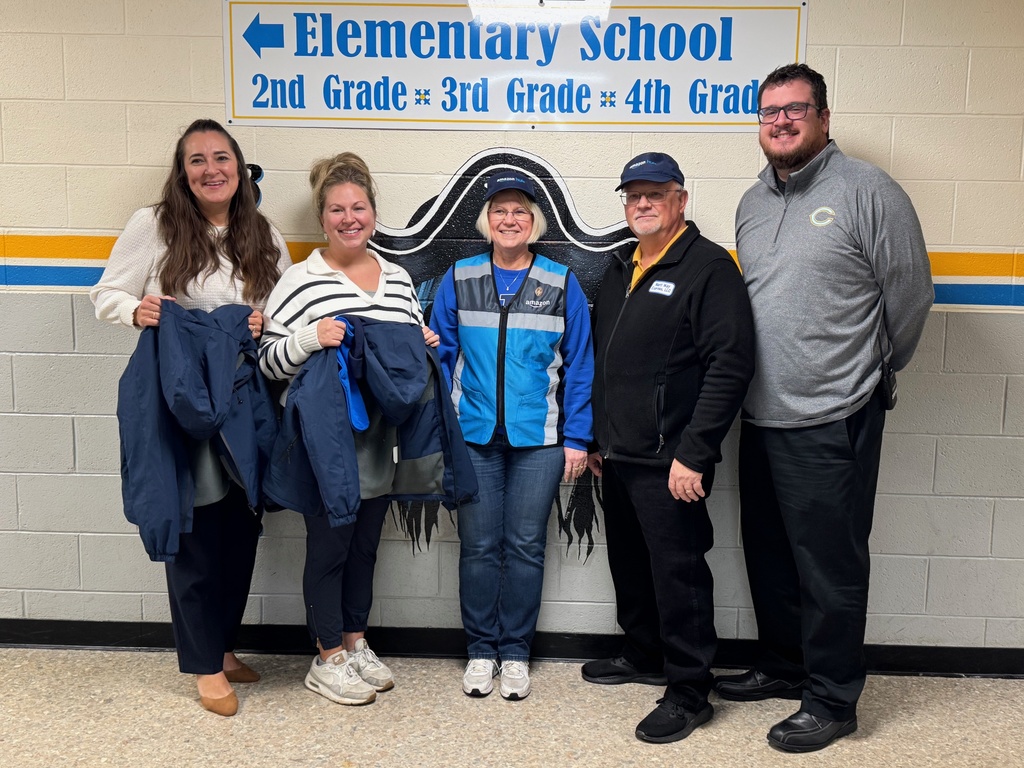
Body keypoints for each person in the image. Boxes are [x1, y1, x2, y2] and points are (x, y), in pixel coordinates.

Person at [716, 63, 934, 753]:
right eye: (768, 112)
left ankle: (834, 699)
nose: (779, 121)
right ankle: (786, 668)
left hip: (833, 415)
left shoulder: (870, 192)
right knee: (772, 558)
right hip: (762, 414)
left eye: (794, 109)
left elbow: (910, 298)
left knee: (831, 568)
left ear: (824, 117)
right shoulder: (752, 201)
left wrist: (873, 373)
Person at [90, 118, 292, 717]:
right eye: (197, 160)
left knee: (240, 525)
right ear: (183, 173)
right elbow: (106, 294)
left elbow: (278, 309)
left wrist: (261, 322)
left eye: (221, 157)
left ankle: (222, 646)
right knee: (195, 528)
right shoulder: (153, 225)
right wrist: (141, 309)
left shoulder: (264, 234)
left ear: (239, 166)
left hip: (243, 394)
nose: (211, 169)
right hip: (179, 396)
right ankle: (203, 664)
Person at [582, 152, 755, 743]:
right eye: (633, 195)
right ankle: (642, 653)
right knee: (629, 565)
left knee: (678, 575)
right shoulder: (618, 268)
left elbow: (729, 366)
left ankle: (688, 691)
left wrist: (695, 451)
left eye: (656, 193)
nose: (643, 203)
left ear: (682, 200)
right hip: (621, 453)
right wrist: (601, 437)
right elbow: (608, 363)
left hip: (671, 458)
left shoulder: (708, 268)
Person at [259, 152, 440, 707]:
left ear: (373, 212)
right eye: (336, 209)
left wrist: (422, 344)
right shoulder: (299, 280)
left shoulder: (399, 278)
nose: (348, 217)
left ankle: (356, 642)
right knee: (330, 545)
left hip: (381, 437)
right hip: (327, 441)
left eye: (358, 206)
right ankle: (327, 655)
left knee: (364, 546)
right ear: (322, 218)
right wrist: (313, 337)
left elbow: (405, 356)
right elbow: (267, 363)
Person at [429, 172, 594, 701]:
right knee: (478, 547)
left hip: (540, 440)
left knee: (524, 547)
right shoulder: (459, 276)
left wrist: (578, 437)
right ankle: (481, 650)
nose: (509, 219)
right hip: (473, 435)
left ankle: (516, 652)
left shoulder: (560, 282)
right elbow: (440, 359)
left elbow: (581, 367)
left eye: (519, 211)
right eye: (499, 210)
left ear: (534, 222)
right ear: (486, 221)